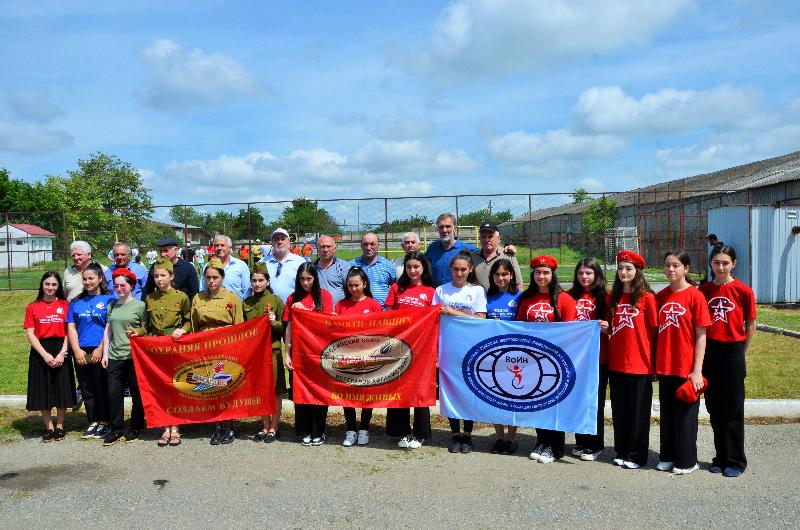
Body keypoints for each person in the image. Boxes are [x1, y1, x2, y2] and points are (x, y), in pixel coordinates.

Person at [698, 245, 756, 478]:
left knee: (732, 408)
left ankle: (735, 460)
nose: (720, 267)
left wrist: (741, 352)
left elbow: (750, 325)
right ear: (710, 264)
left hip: (732, 352)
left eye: (725, 263)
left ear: (734, 263)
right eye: (716, 263)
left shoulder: (743, 291)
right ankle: (720, 457)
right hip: (710, 351)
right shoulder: (703, 291)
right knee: (714, 407)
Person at [516, 255, 577, 463]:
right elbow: (520, 328)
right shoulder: (526, 299)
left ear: (553, 274)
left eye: (546, 272)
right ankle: (541, 440)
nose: (542, 276)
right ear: (532, 275)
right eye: (538, 272)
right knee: (537, 402)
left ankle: (555, 446)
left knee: (554, 403)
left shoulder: (565, 299)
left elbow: (572, 332)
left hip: (556, 361)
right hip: (532, 360)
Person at [655, 250, 711, 475]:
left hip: (686, 367)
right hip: (665, 364)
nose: (671, 269)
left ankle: (687, 460)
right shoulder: (661, 296)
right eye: (668, 265)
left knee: (685, 416)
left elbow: (701, 335)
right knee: (667, 415)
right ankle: (667, 455)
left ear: (686, 269)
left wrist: (697, 370)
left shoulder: (695, 296)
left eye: (676, 265)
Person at [132, 258, 192, 447]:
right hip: (155, 350)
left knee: (175, 386)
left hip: (174, 348)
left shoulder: (181, 297)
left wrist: (183, 329)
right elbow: (147, 325)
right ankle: (164, 426)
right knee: (160, 388)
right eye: (156, 276)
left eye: (163, 276)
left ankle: (176, 427)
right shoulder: (149, 298)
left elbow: (189, 320)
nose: (159, 279)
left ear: (171, 276)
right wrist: (138, 333)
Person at [606, 251, 657, 469]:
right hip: (616, 363)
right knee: (620, 411)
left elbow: (655, 331)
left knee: (638, 414)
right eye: (621, 268)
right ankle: (622, 450)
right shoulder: (613, 298)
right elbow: (612, 327)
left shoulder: (647, 298)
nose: (624, 272)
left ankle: (637, 454)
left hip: (640, 364)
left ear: (637, 271)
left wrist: (654, 364)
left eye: (628, 268)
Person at [433, 251, 487, 454]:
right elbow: (434, 318)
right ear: (450, 270)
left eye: (463, 269)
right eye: (455, 269)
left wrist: (452, 312)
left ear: (470, 270)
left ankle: (468, 435)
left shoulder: (477, 291)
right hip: (447, 347)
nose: (459, 273)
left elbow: (481, 318)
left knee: (468, 391)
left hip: (470, 347)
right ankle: (455, 434)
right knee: (450, 392)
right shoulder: (440, 290)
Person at [384, 251, 435, 449]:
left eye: (416, 267)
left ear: (423, 268)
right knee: (399, 388)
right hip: (398, 347)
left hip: (423, 348)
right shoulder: (397, 288)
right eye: (409, 267)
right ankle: (402, 431)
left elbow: (434, 322)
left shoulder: (431, 291)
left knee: (420, 390)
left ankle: (420, 433)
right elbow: (387, 317)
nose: (412, 270)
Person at [192, 257, 244, 445]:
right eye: (208, 277)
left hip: (226, 345)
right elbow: (194, 326)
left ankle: (229, 426)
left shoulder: (232, 298)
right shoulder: (198, 298)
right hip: (206, 345)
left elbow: (239, 326)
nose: (211, 281)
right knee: (211, 387)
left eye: (215, 277)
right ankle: (216, 426)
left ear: (222, 277)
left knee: (226, 387)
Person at [283, 263, 334, 446]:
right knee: (301, 392)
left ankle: (318, 430)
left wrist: (305, 312)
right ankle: (304, 430)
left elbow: (328, 323)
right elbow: (288, 327)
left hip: (319, 352)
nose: (305, 283)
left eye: (309, 279)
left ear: (315, 278)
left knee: (319, 392)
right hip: (299, 353)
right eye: (302, 279)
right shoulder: (292, 298)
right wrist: (287, 354)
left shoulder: (324, 297)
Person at [334, 267, 383, 447]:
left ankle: (364, 429)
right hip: (347, 356)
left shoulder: (374, 305)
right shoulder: (341, 305)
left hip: (368, 355)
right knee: (347, 393)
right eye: (350, 285)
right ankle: (350, 429)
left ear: (364, 284)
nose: (354, 289)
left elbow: (381, 330)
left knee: (366, 393)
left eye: (357, 285)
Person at [567, 257, 609, 462]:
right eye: (581, 273)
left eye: (589, 273)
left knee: (595, 401)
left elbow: (615, 326)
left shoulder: (605, 297)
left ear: (597, 275)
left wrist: (607, 328)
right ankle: (581, 440)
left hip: (599, 358)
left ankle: (595, 443)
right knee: (578, 400)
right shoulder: (569, 296)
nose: (584, 277)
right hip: (576, 357)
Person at [23, 272, 75, 442]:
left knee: (62, 387)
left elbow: (70, 331)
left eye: (54, 285)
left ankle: (59, 426)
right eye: (47, 284)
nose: (50, 288)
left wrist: (62, 353)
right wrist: (44, 355)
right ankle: (48, 427)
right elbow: (30, 334)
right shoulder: (32, 307)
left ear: (59, 286)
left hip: (61, 348)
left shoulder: (65, 305)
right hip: (41, 351)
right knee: (42, 388)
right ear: (42, 285)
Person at [66, 263, 113, 440]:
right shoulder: (76, 302)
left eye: (91, 278)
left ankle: (105, 421)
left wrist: (100, 349)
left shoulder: (109, 300)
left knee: (102, 386)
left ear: (100, 279)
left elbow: (109, 327)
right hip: (81, 349)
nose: (87, 282)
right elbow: (71, 327)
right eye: (84, 279)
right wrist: (76, 350)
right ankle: (93, 420)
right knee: (87, 387)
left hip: (101, 349)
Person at [101, 268, 147, 446]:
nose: (119, 288)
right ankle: (116, 428)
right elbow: (108, 330)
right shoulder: (112, 305)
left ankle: (136, 424)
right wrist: (106, 353)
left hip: (133, 356)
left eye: (123, 285)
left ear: (131, 286)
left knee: (137, 392)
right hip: (115, 355)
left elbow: (143, 330)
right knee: (114, 393)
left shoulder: (140, 306)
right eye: (116, 285)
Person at [242, 263, 287, 444]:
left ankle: (275, 426)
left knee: (275, 391)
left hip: (272, 350)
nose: (257, 284)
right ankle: (265, 424)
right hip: (254, 354)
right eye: (254, 280)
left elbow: (284, 329)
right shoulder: (246, 303)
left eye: (261, 280)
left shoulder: (276, 301)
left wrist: (274, 322)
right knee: (259, 390)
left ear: (267, 281)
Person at [485, 258, 523, 455]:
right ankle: (499, 437)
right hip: (493, 353)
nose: (501, 278)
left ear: (511, 276)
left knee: (513, 397)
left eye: (505, 274)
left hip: (514, 353)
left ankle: (511, 438)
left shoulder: (519, 296)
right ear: (492, 277)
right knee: (495, 396)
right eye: (497, 274)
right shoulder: (487, 296)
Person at [425, 213, 478, 287]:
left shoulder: (467, 249)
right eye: (441, 227)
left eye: (448, 226)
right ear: (437, 229)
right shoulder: (432, 248)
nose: (444, 230)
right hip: (437, 293)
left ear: (454, 229)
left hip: (458, 294)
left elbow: (485, 254)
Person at [471, 222, 522, 292]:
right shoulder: (473, 257)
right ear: (479, 238)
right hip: (479, 301)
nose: (486, 240)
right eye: (483, 237)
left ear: (499, 238)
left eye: (490, 236)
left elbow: (518, 283)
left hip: (502, 301)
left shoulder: (508, 255)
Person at [259, 228, 307, 303]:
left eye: (283, 239)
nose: (280, 242)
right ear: (272, 243)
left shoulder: (300, 262)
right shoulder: (262, 262)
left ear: (289, 242)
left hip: (293, 309)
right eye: (276, 239)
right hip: (268, 309)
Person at [350, 232, 396, 309]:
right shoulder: (351, 265)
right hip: (358, 312)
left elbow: (396, 288)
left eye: (372, 244)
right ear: (361, 246)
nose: (368, 247)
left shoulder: (388, 266)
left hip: (381, 313)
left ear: (378, 246)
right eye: (365, 244)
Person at [201, 235, 251, 300]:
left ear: (229, 248)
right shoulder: (207, 266)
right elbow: (203, 289)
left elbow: (247, 291)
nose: (219, 248)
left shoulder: (241, 266)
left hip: (236, 308)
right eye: (216, 245)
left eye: (222, 245)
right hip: (213, 307)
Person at [314, 235, 349, 306]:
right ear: (317, 249)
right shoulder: (312, 268)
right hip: (318, 313)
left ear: (334, 249)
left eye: (328, 246)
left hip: (339, 313)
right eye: (322, 247)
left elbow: (351, 290)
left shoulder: (344, 266)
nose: (325, 250)